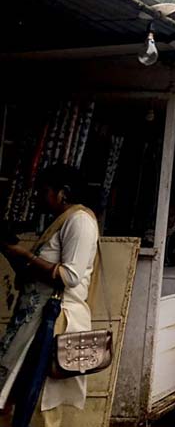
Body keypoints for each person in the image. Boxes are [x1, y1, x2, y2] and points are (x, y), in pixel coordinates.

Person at [0, 164, 100, 427]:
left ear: (62, 193)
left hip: (54, 321)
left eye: (44, 191)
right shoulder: (62, 220)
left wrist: (27, 256)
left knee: (42, 399)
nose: (38, 198)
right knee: (19, 393)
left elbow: (70, 276)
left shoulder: (79, 221)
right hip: (35, 320)